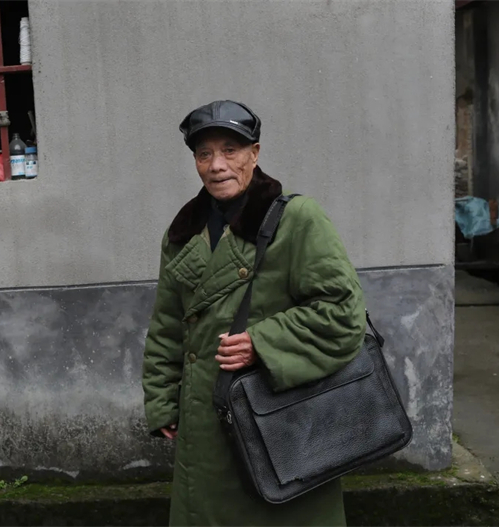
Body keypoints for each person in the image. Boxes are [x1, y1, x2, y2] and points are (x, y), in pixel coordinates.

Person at [141, 100, 367, 526]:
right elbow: (168, 324)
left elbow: (342, 313)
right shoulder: (182, 232)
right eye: (204, 154)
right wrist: (162, 400)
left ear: (255, 154)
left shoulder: (297, 219)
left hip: (281, 421)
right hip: (207, 421)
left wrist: (261, 344)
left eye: (230, 150)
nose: (217, 165)